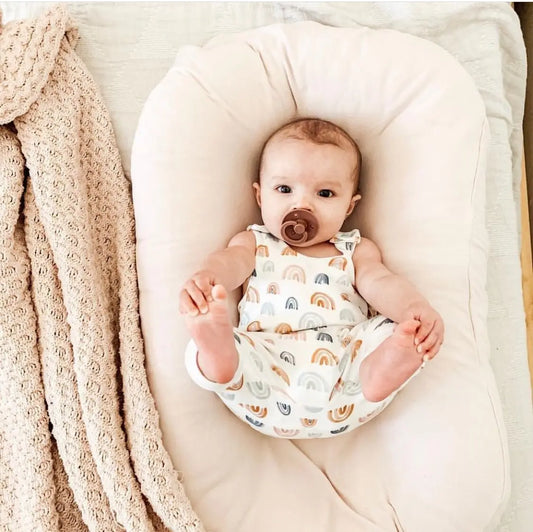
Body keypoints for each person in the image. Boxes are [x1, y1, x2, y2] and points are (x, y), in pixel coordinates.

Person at [180, 118, 444, 438]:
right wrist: (209, 278)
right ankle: (221, 356)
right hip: (266, 372)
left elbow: (381, 283)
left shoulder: (354, 251)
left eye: (325, 193)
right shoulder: (255, 243)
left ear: (349, 206)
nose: (302, 204)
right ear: (260, 196)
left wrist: (412, 310)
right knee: (211, 349)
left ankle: (382, 369)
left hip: (344, 378)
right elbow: (230, 262)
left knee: (387, 331)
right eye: (284, 189)